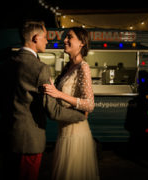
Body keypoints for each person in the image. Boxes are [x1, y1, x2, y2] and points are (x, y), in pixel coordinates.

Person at [0, 20, 86, 180]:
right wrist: (80, 114)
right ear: (35, 38)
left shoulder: (5, 65)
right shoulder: (39, 68)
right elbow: (53, 111)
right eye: (45, 37)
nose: (47, 41)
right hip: (29, 142)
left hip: (7, 139)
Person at [43, 27, 99, 180]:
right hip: (64, 130)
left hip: (76, 132)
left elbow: (89, 105)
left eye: (69, 37)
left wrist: (59, 94)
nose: (65, 40)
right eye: (65, 37)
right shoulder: (69, 67)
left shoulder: (83, 67)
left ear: (81, 43)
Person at [124, 70, 148, 158]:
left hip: (142, 115)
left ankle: (139, 152)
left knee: (140, 133)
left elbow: (142, 91)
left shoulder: (142, 83)